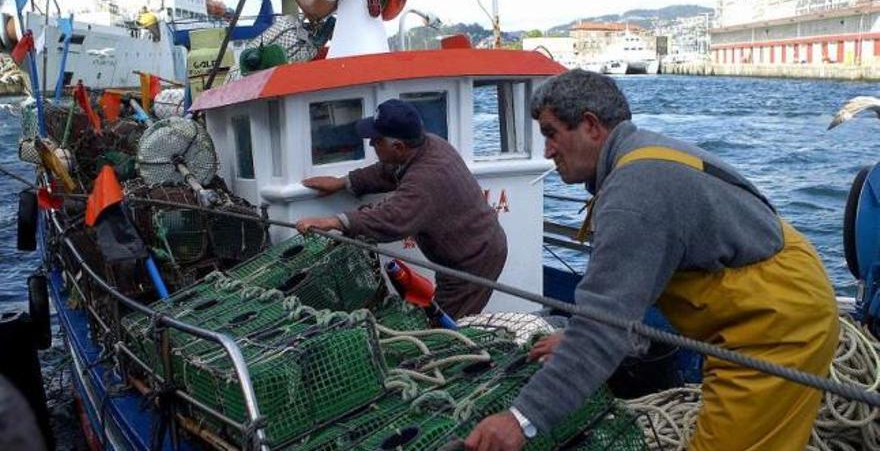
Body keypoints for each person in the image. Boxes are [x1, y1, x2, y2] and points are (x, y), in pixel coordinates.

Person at [464, 69, 839, 451]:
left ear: (591, 126)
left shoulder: (634, 195)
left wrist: (521, 420)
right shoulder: (639, 158)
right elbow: (624, 297)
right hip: (770, 292)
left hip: (776, 326)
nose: (546, 151)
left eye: (551, 133)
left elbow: (604, 324)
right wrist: (581, 338)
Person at [295, 99, 508, 319]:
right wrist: (344, 182)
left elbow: (392, 219)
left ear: (398, 147)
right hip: (467, 248)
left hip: (474, 259)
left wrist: (334, 221)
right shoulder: (426, 145)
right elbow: (388, 171)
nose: (371, 145)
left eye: (376, 141)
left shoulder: (426, 178)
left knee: (443, 326)